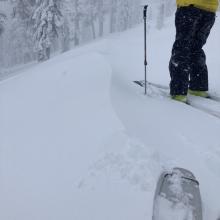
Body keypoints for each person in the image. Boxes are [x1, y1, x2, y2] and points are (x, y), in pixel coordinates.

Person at [169, 0, 219, 103]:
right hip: (210, 10)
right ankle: (198, 88)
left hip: (189, 6)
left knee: (182, 48)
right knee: (195, 48)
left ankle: (179, 92)